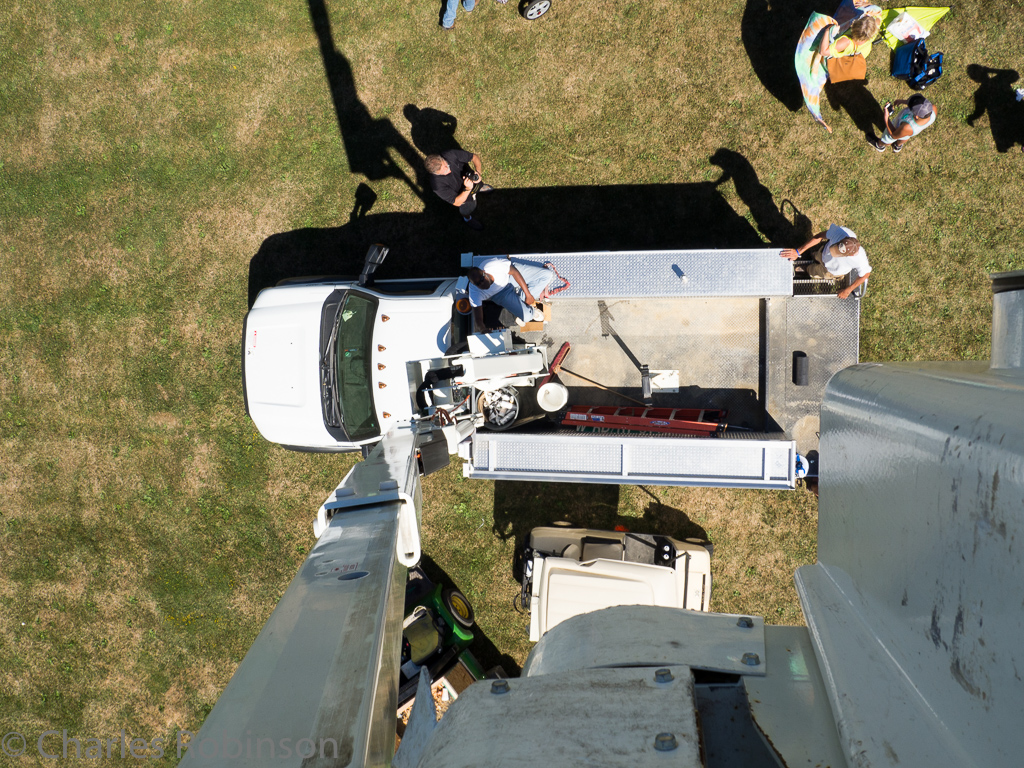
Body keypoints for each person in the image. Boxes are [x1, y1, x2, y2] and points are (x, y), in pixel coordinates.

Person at [780, 224, 871, 300]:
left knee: (815, 271)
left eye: (837, 253)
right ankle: (815, 257)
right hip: (822, 254)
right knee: (816, 255)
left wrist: (847, 290)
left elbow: (866, 274)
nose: (833, 252)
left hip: (830, 271)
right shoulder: (839, 232)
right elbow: (819, 236)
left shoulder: (860, 260)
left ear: (850, 255)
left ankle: (807, 270)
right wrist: (798, 251)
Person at [467, 257, 556, 329]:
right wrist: (483, 330)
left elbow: (514, 271)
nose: (481, 284)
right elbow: (478, 319)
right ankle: (529, 310)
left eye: (482, 280)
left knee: (547, 275)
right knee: (527, 317)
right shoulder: (474, 291)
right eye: (477, 284)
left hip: (510, 277)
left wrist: (528, 294)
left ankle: (523, 300)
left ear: (484, 272)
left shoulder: (492, 266)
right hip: (501, 294)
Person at [425, 149, 493, 230]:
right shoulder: (437, 185)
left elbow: (474, 157)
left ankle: (480, 188)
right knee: (467, 209)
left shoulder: (450, 154)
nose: (449, 170)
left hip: (472, 179)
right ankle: (467, 219)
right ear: (435, 173)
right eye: (445, 171)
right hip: (464, 196)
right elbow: (456, 202)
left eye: (446, 165)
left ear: (442, 158)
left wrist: (478, 172)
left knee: (479, 185)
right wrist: (468, 189)